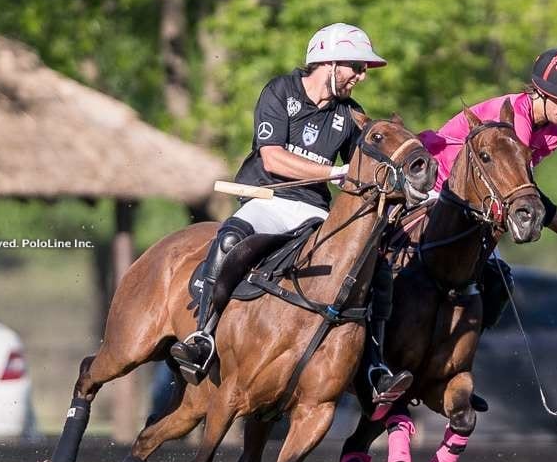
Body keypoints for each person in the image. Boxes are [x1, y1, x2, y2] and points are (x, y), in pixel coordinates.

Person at [168, 22, 412, 417]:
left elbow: (366, 169)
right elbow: (273, 158)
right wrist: (333, 173)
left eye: (364, 69)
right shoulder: (280, 92)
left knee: (376, 270)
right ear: (328, 62)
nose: (361, 76)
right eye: (356, 66)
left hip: (315, 212)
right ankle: (203, 335)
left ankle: (374, 366)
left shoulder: (351, 115)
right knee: (230, 239)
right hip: (269, 197)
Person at [419, 48, 557, 333]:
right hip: (435, 187)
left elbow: (521, 191)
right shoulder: (515, 115)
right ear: (540, 91)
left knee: (496, 283)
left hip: (474, 206)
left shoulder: (552, 135)